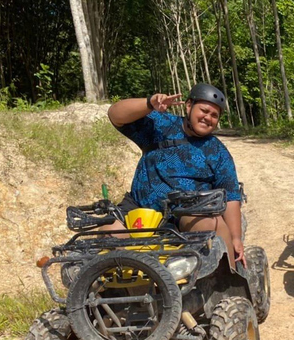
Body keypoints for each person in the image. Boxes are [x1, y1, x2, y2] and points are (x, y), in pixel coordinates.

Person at [105, 83, 246, 268]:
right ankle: (127, 290)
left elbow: (231, 196)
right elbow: (115, 115)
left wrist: (235, 238)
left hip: (188, 214)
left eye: (214, 115)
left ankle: (229, 282)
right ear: (189, 106)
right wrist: (149, 103)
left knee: (212, 225)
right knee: (107, 233)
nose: (208, 118)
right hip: (140, 209)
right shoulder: (160, 125)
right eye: (204, 110)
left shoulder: (218, 151)